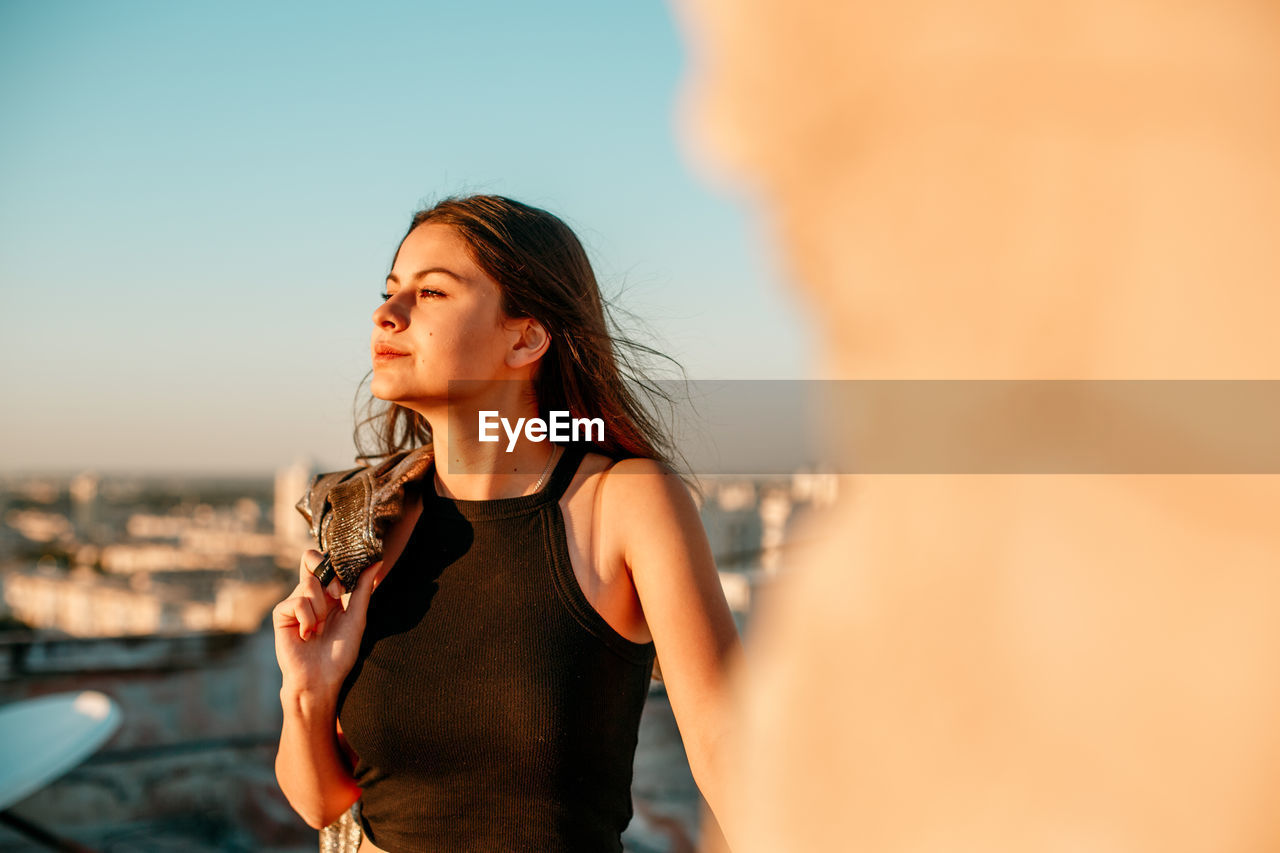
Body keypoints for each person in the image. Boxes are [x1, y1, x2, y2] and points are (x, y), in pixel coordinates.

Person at [271, 194, 742, 852]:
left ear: (526, 337)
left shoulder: (624, 501)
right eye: (390, 290)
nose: (387, 313)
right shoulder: (364, 518)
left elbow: (735, 756)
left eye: (431, 293)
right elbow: (321, 800)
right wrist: (308, 690)